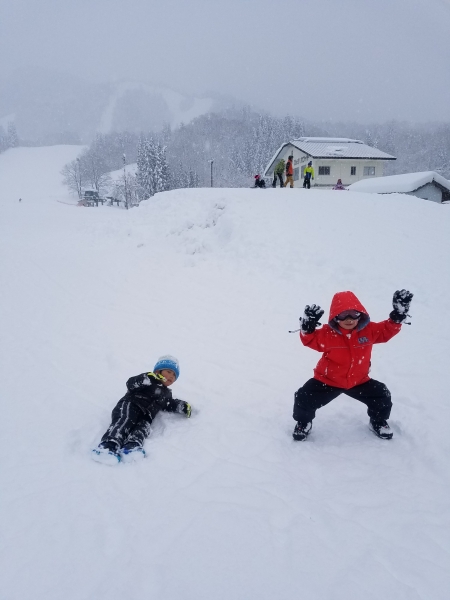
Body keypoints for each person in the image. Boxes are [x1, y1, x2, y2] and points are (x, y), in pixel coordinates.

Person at [292, 290, 413, 441]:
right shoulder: (328, 334)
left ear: (360, 314)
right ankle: (303, 423)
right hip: (328, 380)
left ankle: (377, 421)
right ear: (335, 317)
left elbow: (386, 330)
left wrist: (398, 316)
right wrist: (307, 328)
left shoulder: (368, 331)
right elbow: (310, 340)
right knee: (304, 397)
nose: (349, 319)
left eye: (353, 314)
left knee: (381, 394)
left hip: (358, 381)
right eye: (343, 315)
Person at [92, 355, 192, 465]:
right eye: (169, 371)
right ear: (159, 371)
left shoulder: (167, 394)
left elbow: (169, 404)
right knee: (124, 421)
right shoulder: (149, 379)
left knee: (142, 429)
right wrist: (145, 378)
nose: (172, 376)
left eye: (174, 375)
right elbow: (130, 384)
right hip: (131, 405)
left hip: (147, 415)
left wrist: (182, 406)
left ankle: (132, 446)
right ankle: (108, 446)